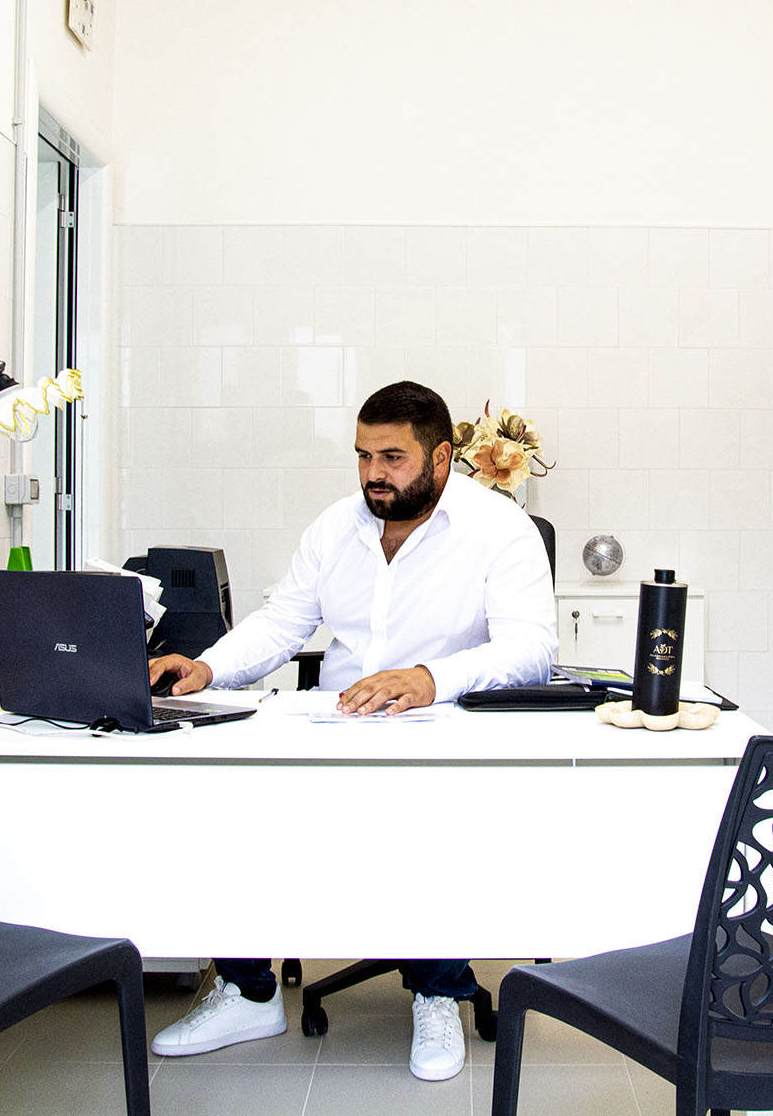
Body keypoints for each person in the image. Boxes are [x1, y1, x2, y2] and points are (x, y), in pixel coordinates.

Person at [144, 380, 557, 1081]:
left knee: (431, 817)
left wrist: (428, 678)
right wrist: (208, 668)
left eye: (392, 457)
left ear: (441, 457)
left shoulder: (499, 530)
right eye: (364, 456)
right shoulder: (336, 527)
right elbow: (283, 623)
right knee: (227, 800)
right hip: (334, 725)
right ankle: (249, 993)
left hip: (440, 732)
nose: (373, 474)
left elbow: (533, 648)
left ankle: (438, 992)